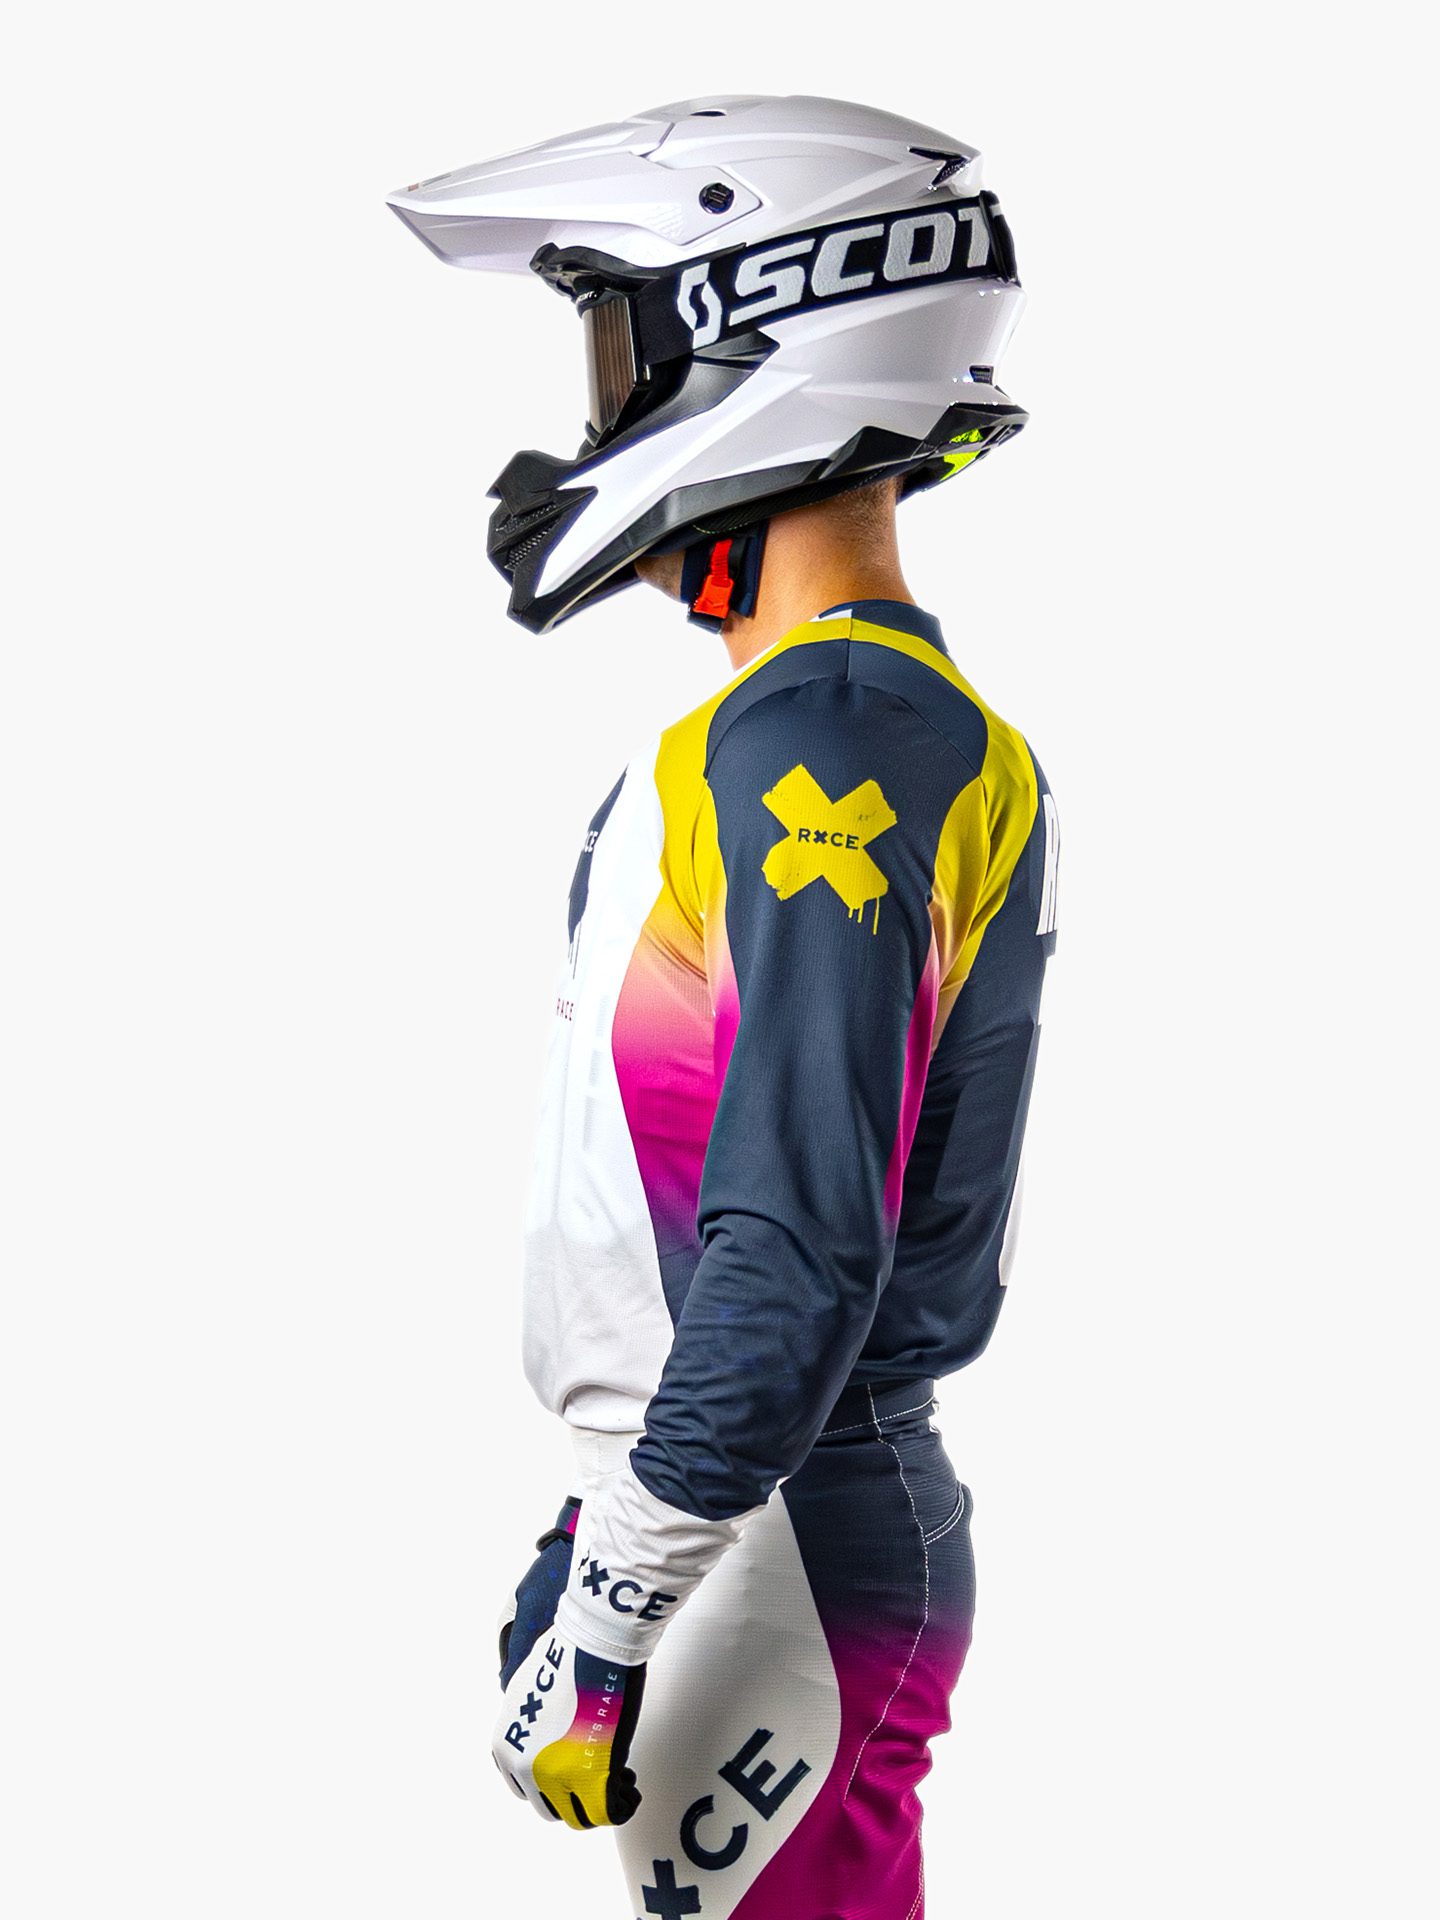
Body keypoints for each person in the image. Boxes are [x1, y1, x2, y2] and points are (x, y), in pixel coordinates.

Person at [389, 92, 1058, 1920]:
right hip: (749, 1510)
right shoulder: (840, 727)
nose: (599, 418)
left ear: (765, 324)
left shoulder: (828, 739)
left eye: (623, 351)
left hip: (776, 1528)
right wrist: (621, 1515)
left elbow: (796, 1237)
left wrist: (625, 1587)